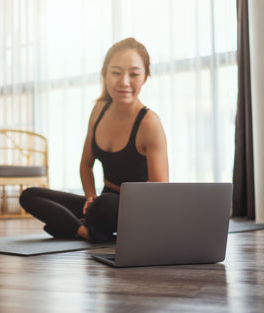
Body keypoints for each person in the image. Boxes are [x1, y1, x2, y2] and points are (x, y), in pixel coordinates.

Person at [19, 37, 169, 243]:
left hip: (133, 210)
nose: (124, 82)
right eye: (116, 72)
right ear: (105, 74)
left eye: (134, 74)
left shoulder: (149, 123)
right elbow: (85, 165)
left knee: (104, 205)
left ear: (145, 77)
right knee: (29, 195)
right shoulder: (99, 110)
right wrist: (90, 197)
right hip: (101, 202)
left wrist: (100, 205)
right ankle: (86, 231)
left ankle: (78, 225)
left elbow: (160, 192)